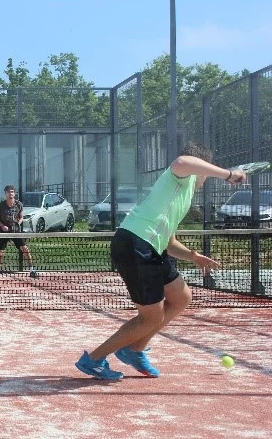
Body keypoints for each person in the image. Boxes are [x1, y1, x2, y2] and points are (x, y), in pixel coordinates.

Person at [75, 142, 247, 380]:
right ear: (202, 169)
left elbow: (168, 241)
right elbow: (182, 161)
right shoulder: (180, 177)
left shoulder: (182, 194)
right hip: (135, 244)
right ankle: (94, 359)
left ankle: (134, 350)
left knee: (181, 297)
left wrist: (193, 256)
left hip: (150, 247)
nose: (206, 178)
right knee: (152, 317)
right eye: (206, 172)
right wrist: (228, 174)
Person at [0, 185, 36, 280]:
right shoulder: (1, 205)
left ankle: (32, 270)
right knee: (0, 253)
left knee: (25, 249)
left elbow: (21, 217)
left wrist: (18, 223)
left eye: (12, 192)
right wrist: (2, 226)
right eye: (8, 192)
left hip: (16, 232)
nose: (10, 193)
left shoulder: (19, 204)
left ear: (14, 193)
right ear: (5, 194)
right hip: (4, 232)